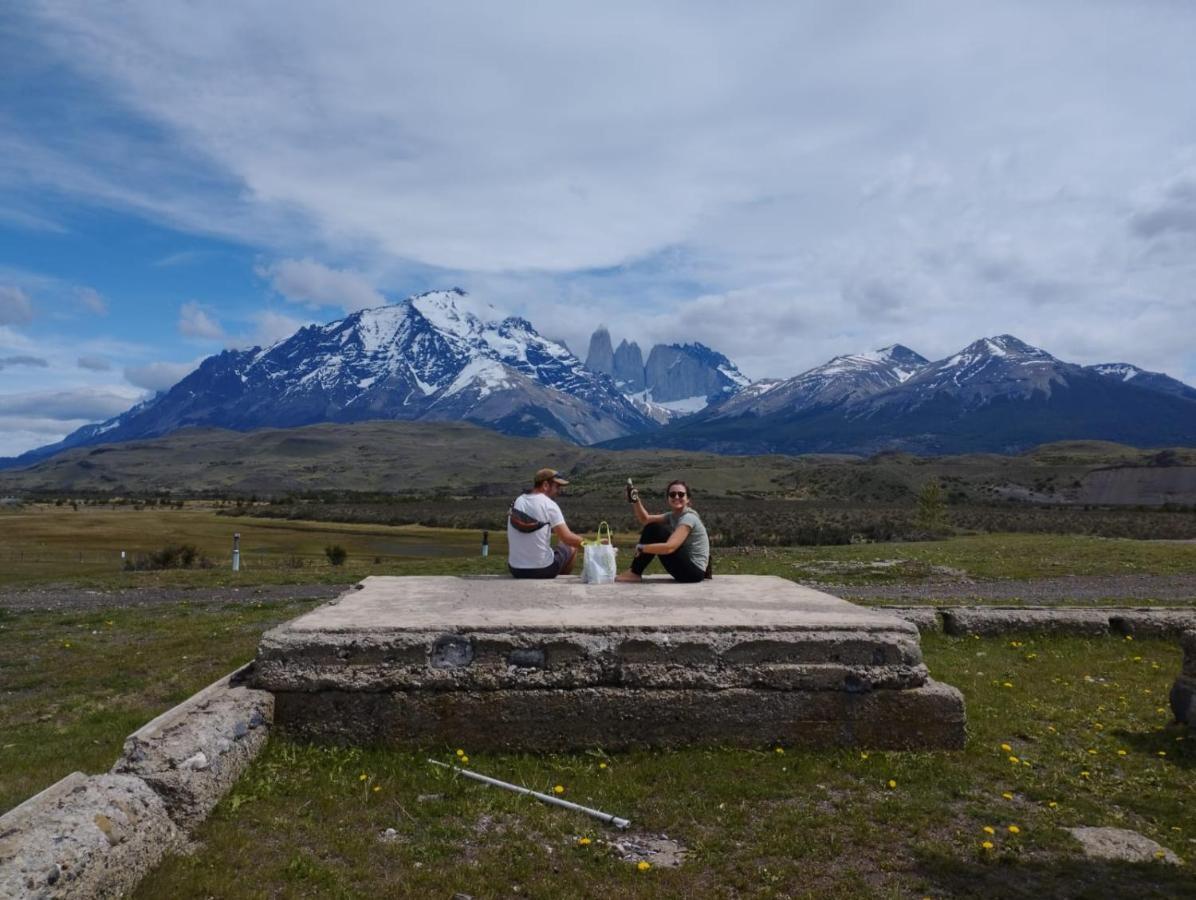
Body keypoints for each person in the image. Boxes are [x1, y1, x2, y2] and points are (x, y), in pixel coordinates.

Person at [615, 479, 711, 583]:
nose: (677, 497)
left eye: (681, 494)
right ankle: (634, 572)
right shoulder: (672, 516)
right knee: (652, 526)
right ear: (668, 498)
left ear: (688, 499)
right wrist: (635, 500)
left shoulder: (688, 518)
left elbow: (670, 547)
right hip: (689, 571)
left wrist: (642, 548)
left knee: (654, 528)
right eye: (672, 494)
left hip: (693, 573)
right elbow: (645, 519)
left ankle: (634, 573)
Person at [507, 467, 585, 579]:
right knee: (571, 546)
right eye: (557, 486)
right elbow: (567, 538)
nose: (559, 491)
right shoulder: (549, 504)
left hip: (515, 569)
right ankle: (559, 581)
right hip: (543, 570)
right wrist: (593, 544)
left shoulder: (517, 501)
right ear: (545, 485)